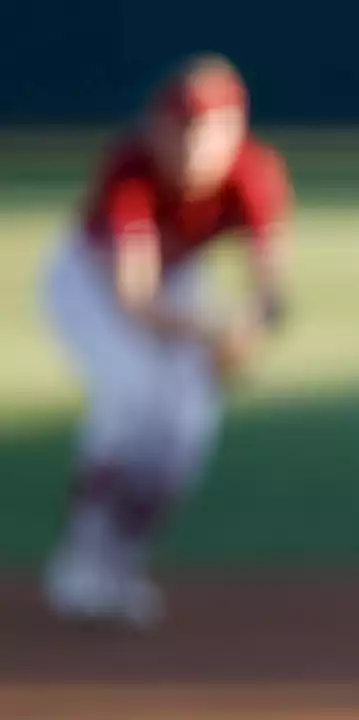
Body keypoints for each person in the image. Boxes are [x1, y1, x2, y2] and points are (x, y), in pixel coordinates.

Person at [38, 52, 294, 629]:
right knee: (129, 400)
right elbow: (133, 296)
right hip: (88, 280)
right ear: (154, 126)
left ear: (234, 129)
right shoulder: (129, 166)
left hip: (176, 284)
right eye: (178, 128)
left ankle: (122, 565)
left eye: (206, 129)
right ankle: (82, 559)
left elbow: (271, 287)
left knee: (183, 430)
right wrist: (213, 331)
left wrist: (245, 333)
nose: (190, 144)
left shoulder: (254, 172)